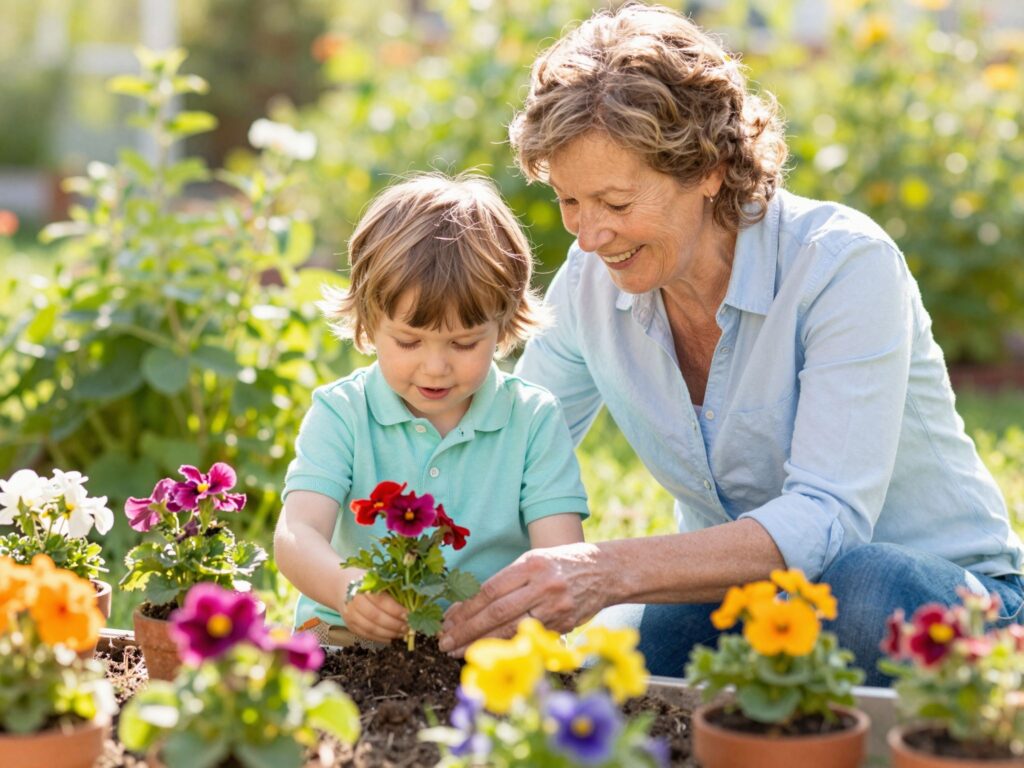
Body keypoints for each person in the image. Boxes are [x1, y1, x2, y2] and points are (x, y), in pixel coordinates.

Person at [438, 4, 1024, 685]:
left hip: (945, 600)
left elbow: (828, 521)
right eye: (570, 201)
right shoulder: (590, 284)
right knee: (608, 659)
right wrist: (393, 572)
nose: (590, 236)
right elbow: (509, 461)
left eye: (617, 204)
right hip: (753, 607)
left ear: (709, 169)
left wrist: (605, 569)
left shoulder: (841, 265)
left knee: (859, 589)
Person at [274, 173, 588, 647]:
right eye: (408, 341)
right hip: (344, 627)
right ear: (368, 324)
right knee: (309, 663)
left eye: (464, 343)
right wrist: (345, 589)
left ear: (504, 326)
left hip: (488, 642)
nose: (436, 367)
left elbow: (561, 559)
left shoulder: (533, 418)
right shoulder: (342, 412)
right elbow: (296, 534)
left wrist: (511, 619)